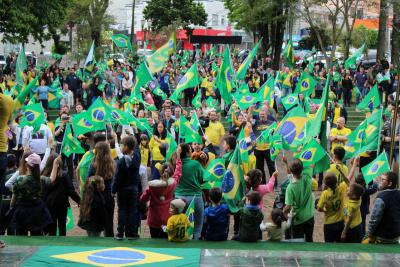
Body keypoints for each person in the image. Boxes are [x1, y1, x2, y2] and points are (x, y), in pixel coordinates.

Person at [140, 145, 182, 238]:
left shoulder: (151, 186)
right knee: (166, 241)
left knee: (154, 241)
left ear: (160, 172)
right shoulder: (173, 183)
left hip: (154, 218)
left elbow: (143, 198)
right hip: (168, 217)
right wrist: (178, 156)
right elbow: (178, 172)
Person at [9, 153, 53, 235]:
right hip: (37, 210)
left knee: (21, 237)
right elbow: (51, 179)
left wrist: (12, 206)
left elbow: (14, 197)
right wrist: (56, 164)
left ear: (27, 165)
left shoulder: (20, 179)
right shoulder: (41, 179)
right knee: (37, 237)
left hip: (22, 211)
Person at [41, 155, 80, 236]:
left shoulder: (43, 175)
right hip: (62, 205)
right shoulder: (64, 175)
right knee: (62, 227)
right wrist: (79, 201)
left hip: (49, 205)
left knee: (51, 229)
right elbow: (71, 191)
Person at [112, 136, 141, 240]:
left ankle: (120, 232)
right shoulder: (137, 158)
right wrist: (132, 135)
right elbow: (136, 149)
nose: (121, 147)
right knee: (132, 210)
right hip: (133, 189)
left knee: (122, 210)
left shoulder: (120, 162)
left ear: (126, 146)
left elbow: (117, 178)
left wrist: (113, 190)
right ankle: (131, 233)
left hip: (122, 189)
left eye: (122, 145)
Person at [175, 143, 204, 240]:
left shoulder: (175, 164)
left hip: (178, 199)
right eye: (190, 150)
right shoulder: (196, 164)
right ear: (188, 153)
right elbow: (202, 178)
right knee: (197, 228)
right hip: (195, 198)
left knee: (178, 225)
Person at [87, 142, 116, 237]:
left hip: (96, 198)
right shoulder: (113, 164)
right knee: (109, 224)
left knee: (96, 225)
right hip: (108, 197)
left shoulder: (93, 165)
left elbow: (88, 179)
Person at [283, 159, 314, 242]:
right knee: (309, 239)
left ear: (292, 171)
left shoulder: (290, 187)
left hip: (298, 220)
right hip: (309, 216)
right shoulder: (307, 176)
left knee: (298, 241)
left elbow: (288, 206)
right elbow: (312, 163)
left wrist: (284, 212)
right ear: (302, 168)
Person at [365, 172, 400, 244]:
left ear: (389, 184)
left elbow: (374, 219)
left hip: (382, 236)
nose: (379, 182)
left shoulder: (381, 197)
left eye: (382, 180)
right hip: (396, 235)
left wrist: (368, 234)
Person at [316, 172, 348, 242]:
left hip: (329, 223)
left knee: (329, 245)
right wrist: (341, 172)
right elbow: (347, 181)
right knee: (339, 244)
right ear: (336, 181)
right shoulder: (341, 188)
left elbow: (319, 208)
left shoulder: (325, 193)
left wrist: (325, 210)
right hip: (340, 222)